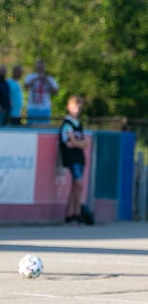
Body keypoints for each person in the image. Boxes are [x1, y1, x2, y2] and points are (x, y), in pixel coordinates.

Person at [59, 95, 89, 224]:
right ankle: (77, 213)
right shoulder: (67, 124)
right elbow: (73, 141)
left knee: (75, 187)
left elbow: (84, 143)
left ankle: (71, 214)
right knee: (79, 185)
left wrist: (78, 143)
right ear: (68, 107)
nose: (77, 109)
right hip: (71, 157)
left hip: (79, 156)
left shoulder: (78, 124)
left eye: (79, 107)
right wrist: (78, 142)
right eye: (74, 107)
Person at [24, 60, 59, 125]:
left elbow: (56, 92)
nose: (41, 68)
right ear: (36, 67)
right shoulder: (30, 77)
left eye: (42, 67)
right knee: (31, 127)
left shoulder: (50, 78)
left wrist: (47, 80)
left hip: (45, 108)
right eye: (39, 67)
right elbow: (25, 87)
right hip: (32, 108)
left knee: (44, 127)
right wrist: (36, 78)